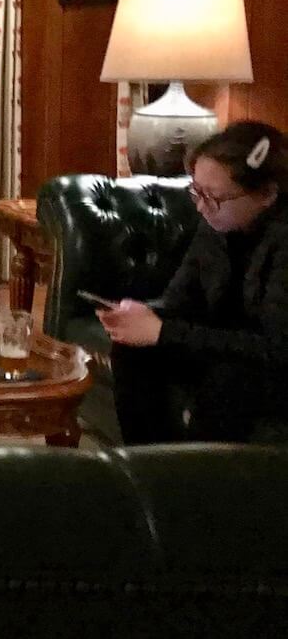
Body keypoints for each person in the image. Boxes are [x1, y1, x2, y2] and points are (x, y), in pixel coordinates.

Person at [99, 121, 288, 443]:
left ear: (267, 195)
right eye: (196, 191)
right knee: (134, 349)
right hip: (230, 348)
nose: (201, 206)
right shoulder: (214, 227)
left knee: (231, 378)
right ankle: (148, 465)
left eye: (213, 197)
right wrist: (140, 316)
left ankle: (197, 480)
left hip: (270, 363)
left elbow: (275, 348)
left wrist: (163, 331)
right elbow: (179, 302)